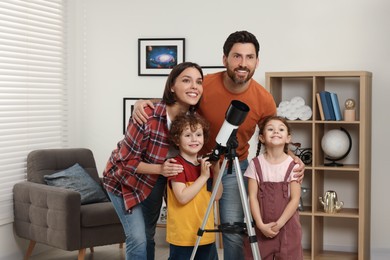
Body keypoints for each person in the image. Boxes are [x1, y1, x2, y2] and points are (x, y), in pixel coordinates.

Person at [132, 30, 305, 259]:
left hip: (235, 168)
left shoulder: (263, 99)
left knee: (232, 229)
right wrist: (143, 102)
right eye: (237, 56)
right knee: (193, 226)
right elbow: (176, 102)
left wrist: (291, 156)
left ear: (257, 62)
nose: (243, 63)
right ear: (225, 59)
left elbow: (274, 135)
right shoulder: (206, 85)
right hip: (198, 165)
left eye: (249, 57)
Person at [102, 62, 204, 260]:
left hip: (155, 180)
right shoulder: (146, 115)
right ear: (172, 86)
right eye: (186, 80)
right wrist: (161, 168)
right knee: (138, 238)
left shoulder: (193, 119)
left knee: (148, 235)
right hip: (123, 181)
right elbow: (125, 162)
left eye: (198, 82)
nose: (194, 86)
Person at [244, 116, 303, 259]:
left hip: (288, 227)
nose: (276, 131)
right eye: (270, 129)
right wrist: (260, 224)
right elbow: (252, 197)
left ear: (288, 138)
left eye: (281, 129)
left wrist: (279, 224)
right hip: (261, 226)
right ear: (262, 138)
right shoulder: (255, 164)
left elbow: (295, 199)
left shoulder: (293, 165)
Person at [166, 113, 222, 260]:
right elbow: (182, 197)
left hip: (206, 233)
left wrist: (215, 172)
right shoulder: (176, 165)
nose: (194, 139)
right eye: (188, 135)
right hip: (183, 236)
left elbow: (217, 196)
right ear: (177, 140)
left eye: (198, 134)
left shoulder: (205, 165)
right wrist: (203, 177)